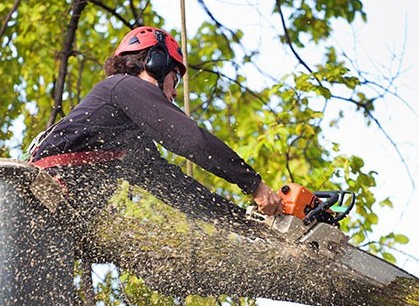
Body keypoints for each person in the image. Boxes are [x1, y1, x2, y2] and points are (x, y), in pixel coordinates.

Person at [28, 26, 282, 217]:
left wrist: (245, 221)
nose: (174, 93)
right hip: (42, 192)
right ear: (156, 63)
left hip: (57, 211)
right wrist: (254, 184)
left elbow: (176, 189)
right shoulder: (123, 86)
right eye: (175, 79)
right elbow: (191, 140)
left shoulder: (130, 139)